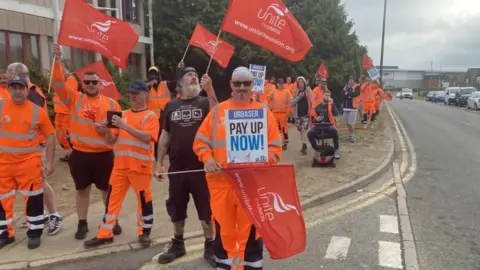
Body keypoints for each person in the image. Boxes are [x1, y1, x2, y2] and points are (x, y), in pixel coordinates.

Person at [193, 67, 282, 270]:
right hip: (221, 186)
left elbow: (275, 149)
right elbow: (200, 142)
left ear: (253, 85)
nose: (242, 88)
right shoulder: (218, 112)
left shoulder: (263, 113)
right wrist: (207, 159)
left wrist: (261, 161)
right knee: (224, 234)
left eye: (246, 83)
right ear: (231, 85)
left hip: (251, 186)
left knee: (250, 234)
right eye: (238, 83)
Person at [51, 44, 123, 240]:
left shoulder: (111, 104)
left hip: (103, 155)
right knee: (81, 190)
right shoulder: (74, 99)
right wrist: (57, 61)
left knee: (106, 190)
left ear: (101, 84)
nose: (91, 85)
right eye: (87, 82)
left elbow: (116, 134)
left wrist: (106, 130)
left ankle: (111, 219)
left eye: (94, 82)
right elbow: (57, 84)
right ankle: (82, 224)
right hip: (80, 155)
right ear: (82, 84)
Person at [154, 67, 218, 266]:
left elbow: (219, 117)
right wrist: (159, 164)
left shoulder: (205, 101)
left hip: (202, 168)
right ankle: (178, 243)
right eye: (189, 75)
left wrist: (210, 91)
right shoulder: (170, 106)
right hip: (178, 169)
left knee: (206, 208)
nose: (194, 77)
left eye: (196, 75)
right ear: (180, 84)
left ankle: (210, 245)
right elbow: (164, 137)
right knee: (176, 207)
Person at [84, 80, 159, 248]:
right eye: (131, 93)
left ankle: (144, 232)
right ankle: (105, 233)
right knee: (112, 200)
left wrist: (123, 126)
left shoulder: (150, 116)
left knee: (144, 200)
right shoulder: (122, 114)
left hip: (140, 167)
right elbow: (111, 140)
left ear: (145, 94)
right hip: (120, 166)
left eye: (136, 93)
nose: (132, 96)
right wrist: (103, 129)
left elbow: (147, 137)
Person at [6, 62, 64, 236]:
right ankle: (39, 215)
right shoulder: (27, 92)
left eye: (9, 76)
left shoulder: (30, 94)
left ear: (18, 74)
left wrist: (46, 160)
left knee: (40, 183)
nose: (9, 80)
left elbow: (41, 124)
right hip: (26, 150)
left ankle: (54, 214)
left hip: (34, 149)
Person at [0, 76, 56, 249]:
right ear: (8, 89)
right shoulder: (1, 106)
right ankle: (4, 233)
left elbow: (50, 135)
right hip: (3, 164)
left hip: (28, 163)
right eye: (14, 87)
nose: (17, 91)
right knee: (3, 200)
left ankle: (34, 232)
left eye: (21, 88)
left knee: (33, 198)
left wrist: (49, 162)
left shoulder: (37, 111)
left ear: (27, 89)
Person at [147, 65, 179, 160]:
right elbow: (138, 93)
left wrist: (178, 70)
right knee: (156, 141)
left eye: (155, 74)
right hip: (154, 119)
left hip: (166, 117)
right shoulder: (146, 88)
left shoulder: (165, 84)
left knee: (170, 138)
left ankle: (171, 158)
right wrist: (149, 85)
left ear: (158, 75)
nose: (153, 76)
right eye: (151, 74)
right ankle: (158, 161)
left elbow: (176, 83)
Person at [54, 70, 79, 162]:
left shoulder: (70, 79)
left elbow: (67, 93)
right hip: (59, 112)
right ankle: (67, 153)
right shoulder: (62, 80)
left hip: (66, 113)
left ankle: (71, 154)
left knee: (66, 135)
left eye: (62, 70)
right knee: (60, 136)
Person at [308, 91, 340, 159]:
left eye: (329, 95)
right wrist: (317, 120)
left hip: (329, 125)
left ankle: (336, 150)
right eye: (326, 95)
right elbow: (312, 120)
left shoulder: (331, 105)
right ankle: (317, 150)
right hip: (318, 126)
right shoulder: (317, 106)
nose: (327, 97)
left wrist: (333, 104)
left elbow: (336, 114)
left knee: (335, 131)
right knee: (310, 133)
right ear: (323, 96)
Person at [290, 76, 314, 155]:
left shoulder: (308, 90)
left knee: (304, 130)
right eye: (299, 82)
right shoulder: (295, 91)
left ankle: (304, 146)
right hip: (297, 115)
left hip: (306, 114)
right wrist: (299, 97)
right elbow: (292, 103)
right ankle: (303, 143)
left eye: (301, 82)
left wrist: (308, 91)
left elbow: (313, 99)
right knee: (300, 130)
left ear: (304, 83)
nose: (300, 84)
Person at [269, 78, 292, 150]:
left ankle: (285, 144)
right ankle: (276, 144)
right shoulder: (273, 92)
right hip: (274, 113)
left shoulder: (287, 92)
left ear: (283, 84)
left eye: (281, 83)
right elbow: (268, 99)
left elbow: (291, 102)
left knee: (284, 130)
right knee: (276, 130)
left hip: (283, 114)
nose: (280, 85)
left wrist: (289, 112)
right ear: (277, 84)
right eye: (279, 83)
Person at [342, 77, 361, 142]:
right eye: (350, 80)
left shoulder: (357, 87)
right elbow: (342, 95)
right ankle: (350, 135)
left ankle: (353, 136)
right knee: (347, 123)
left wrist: (347, 94)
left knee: (351, 123)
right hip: (345, 107)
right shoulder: (346, 87)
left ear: (354, 81)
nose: (351, 81)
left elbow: (356, 94)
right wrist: (348, 94)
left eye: (352, 80)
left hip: (353, 107)